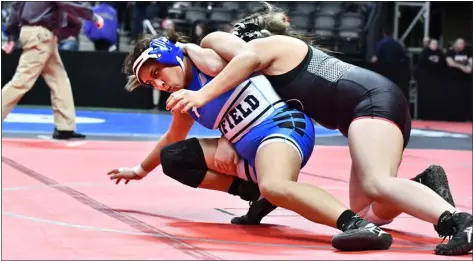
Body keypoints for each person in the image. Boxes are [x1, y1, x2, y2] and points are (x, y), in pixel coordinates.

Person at [164, 3, 472, 256]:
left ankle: (459, 222)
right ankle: (425, 185)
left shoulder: (264, 47)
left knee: (376, 181)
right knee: (366, 214)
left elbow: (238, 62)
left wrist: (198, 82)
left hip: (369, 102)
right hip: (366, 107)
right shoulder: (262, 68)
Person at [108, 34, 395, 252]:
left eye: (157, 73)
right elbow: (172, 136)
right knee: (175, 157)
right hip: (246, 146)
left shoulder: (206, 51)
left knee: (276, 185)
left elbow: (247, 59)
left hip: (280, 126)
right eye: (150, 83)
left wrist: (191, 60)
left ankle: (358, 225)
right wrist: (139, 170)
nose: (159, 85)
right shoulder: (184, 98)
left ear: (170, 55)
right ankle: (257, 195)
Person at [2, 2, 104, 140]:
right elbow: (66, 3)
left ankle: (65, 128)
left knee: (59, 79)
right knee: (21, 81)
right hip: (40, 34)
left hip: (39, 34)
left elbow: (16, 7)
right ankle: (64, 127)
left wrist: (12, 36)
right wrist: (93, 16)